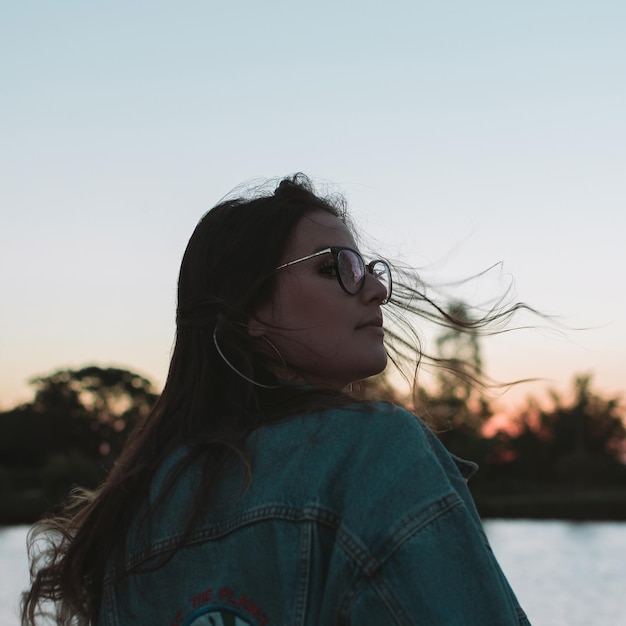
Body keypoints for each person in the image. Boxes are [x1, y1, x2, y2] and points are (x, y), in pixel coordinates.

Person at [22, 174, 531, 625]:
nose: (376, 288)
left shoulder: (136, 512)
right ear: (250, 309)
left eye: (369, 267)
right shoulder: (375, 453)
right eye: (337, 267)